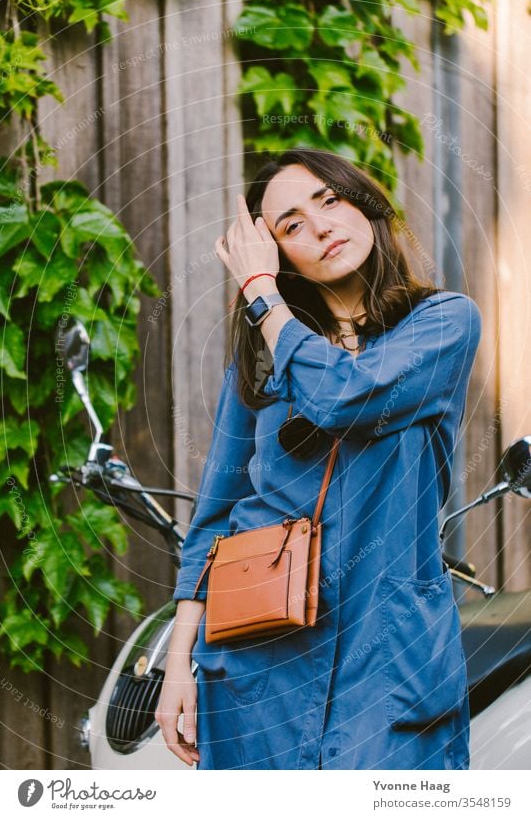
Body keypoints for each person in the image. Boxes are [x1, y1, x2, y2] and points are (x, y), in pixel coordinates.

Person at [156, 148, 482, 770]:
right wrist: (178, 667)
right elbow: (216, 516)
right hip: (257, 660)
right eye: (291, 225)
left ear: (362, 202)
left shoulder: (441, 324)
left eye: (328, 201)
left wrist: (259, 292)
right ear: (282, 255)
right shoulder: (257, 360)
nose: (322, 225)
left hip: (387, 655)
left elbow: (341, 397)